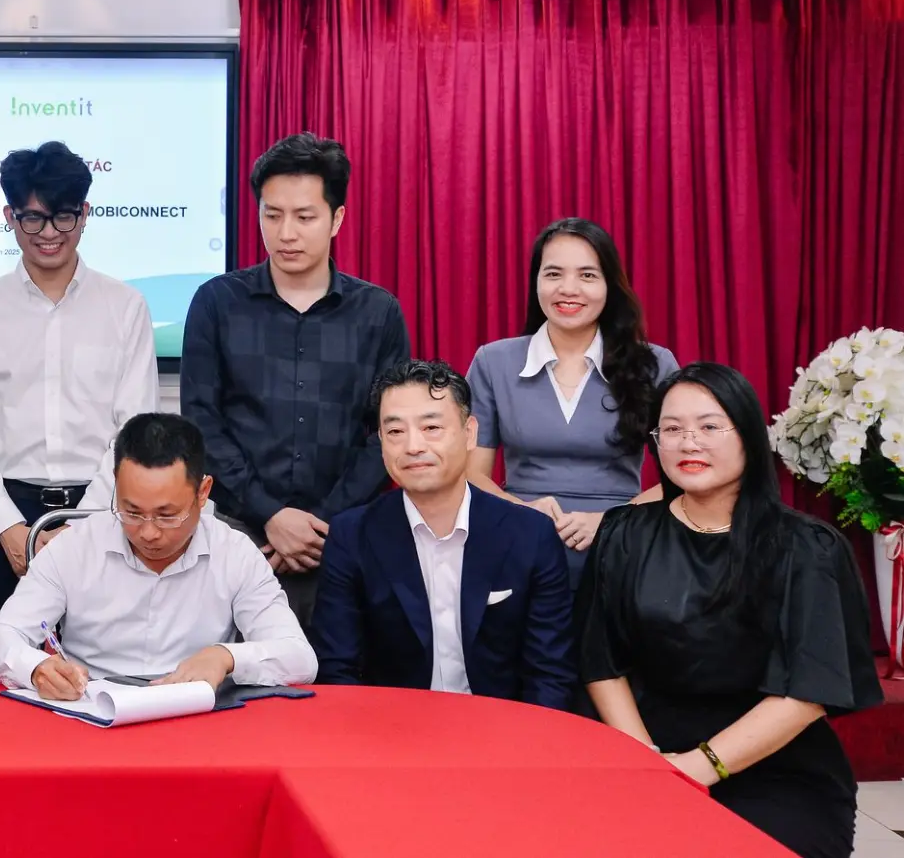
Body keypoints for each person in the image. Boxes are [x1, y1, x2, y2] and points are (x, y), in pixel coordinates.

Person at [579, 363, 881, 858]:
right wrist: (647, 761)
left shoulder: (806, 547)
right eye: (671, 429)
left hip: (776, 766)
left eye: (709, 426)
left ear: (749, 436)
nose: (689, 442)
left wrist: (697, 768)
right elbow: (601, 661)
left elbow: (807, 691)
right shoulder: (623, 534)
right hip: (647, 748)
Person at [179, 132, 410, 623]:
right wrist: (270, 514)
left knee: (342, 667)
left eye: (304, 217)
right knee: (232, 665)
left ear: (337, 219)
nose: (286, 233)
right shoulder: (217, 303)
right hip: (237, 535)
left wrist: (319, 525)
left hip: (344, 538)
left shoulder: (378, 312)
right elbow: (201, 423)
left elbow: (388, 432)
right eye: (272, 215)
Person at [0, 140, 159, 645]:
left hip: (104, 509)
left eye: (63, 217)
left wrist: (85, 526)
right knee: (5, 667)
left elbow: (134, 428)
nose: (48, 234)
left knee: (103, 666)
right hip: (8, 515)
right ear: (10, 217)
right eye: (32, 219)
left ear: (85, 214)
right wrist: (9, 529)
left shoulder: (125, 306)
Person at [0, 412, 318, 696]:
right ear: (116, 484)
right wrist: (36, 667)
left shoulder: (234, 553)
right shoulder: (74, 547)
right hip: (92, 709)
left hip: (195, 715)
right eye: (132, 512)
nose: (149, 532)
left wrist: (225, 657)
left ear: (203, 492)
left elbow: (300, 659)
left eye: (167, 515)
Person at [311, 360, 573, 708]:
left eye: (431, 427)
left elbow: (549, 674)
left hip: (502, 728)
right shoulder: (351, 536)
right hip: (390, 727)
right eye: (395, 431)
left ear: (469, 433)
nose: (413, 446)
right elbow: (337, 669)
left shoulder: (530, 535)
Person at [466, 218, 677, 586]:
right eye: (553, 274)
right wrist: (523, 513)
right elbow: (470, 474)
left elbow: (683, 477)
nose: (568, 289)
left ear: (610, 285)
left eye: (587, 275)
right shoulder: (493, 362)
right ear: (536, 282)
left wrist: (610, 522)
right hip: (519, 546)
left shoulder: (655, 364)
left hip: (624, 552)